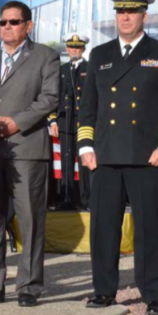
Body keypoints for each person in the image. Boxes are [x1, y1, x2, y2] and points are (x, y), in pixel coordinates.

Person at [78, 0, 158, 315]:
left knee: (150, 228)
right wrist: (85, 146)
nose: (125, 17)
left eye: (132, 11)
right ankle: (104, 291)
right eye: (120, 12)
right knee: (103, 229)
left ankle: (155, 294)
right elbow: (88, 108)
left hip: (146, 156)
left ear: (144, 16)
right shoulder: (100, 54)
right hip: (106, 155)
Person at [0, 1, 60, 307]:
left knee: (30, 219)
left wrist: (16, 122)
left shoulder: (46, 56)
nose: (7, 27)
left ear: (28, 26)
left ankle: (29, 287)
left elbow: (49, 98)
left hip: (27, 148)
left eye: (14, 22)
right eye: (3, 21)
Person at [49, 34, 90, 210]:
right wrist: (53, 121)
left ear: (83, 49)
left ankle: (86, 200)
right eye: (72, 47)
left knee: (84, 163)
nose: (75, 50)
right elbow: (53, 97)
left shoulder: (90, 68)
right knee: (66, 161)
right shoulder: (62, 70)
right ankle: (66, 199)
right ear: (67, 49)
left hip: (84, 124)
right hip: (65, 122)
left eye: (78, 48)